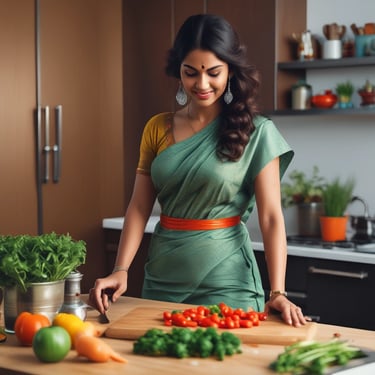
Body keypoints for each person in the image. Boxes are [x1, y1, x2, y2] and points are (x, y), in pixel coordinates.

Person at [89, 14, 310, 327]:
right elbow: (139, 207)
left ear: (230, 70)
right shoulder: (157, 127)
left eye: (214, 73)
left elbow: (272, 217)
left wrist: (277, 290)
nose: (202, 84)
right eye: (190, 73)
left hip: (228, 281)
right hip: (163, 277)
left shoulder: (257, 132)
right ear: (179, 70)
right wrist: (121, 269)